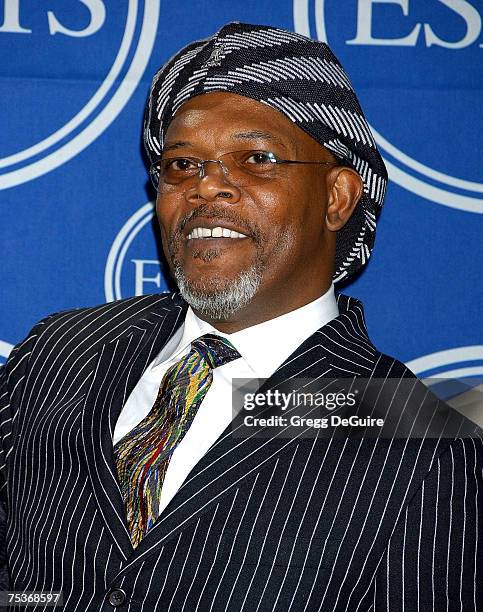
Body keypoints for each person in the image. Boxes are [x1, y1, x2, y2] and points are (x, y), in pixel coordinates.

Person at [0, 22, 481, 612]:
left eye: (256, 159)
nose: (208, 187)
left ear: (337, 198)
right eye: (181, 165)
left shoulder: (419, 440)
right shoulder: (61, 352)